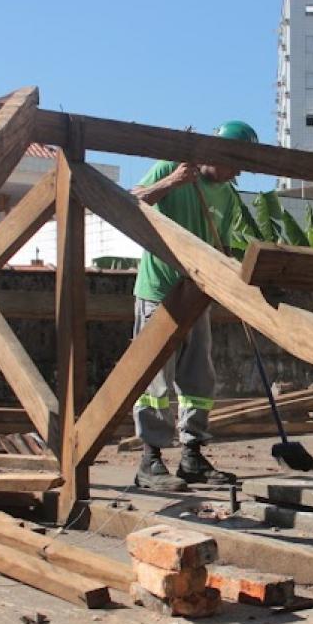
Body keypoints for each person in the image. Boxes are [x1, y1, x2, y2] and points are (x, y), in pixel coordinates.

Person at [129, 120, 258, 491]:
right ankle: (149, 460)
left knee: (198, 379)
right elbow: (131, 201)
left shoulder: (229, 196)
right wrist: (171, 183)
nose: (238, 172)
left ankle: (192, 455)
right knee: (156, 379)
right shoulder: (172, 168)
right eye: (235, 162)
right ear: (217, 152)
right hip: (160, 292)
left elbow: (223, 248)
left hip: (198, 295)